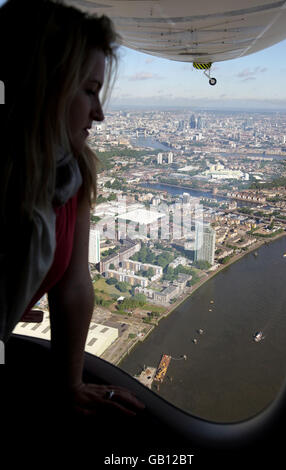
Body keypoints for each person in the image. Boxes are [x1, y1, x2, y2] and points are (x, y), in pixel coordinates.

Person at [0, 0, 145, 423]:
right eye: (88, 91)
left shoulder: (73, 172)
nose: (99, 114)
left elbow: (74, 286)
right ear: (41, 85)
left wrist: (71, 384)